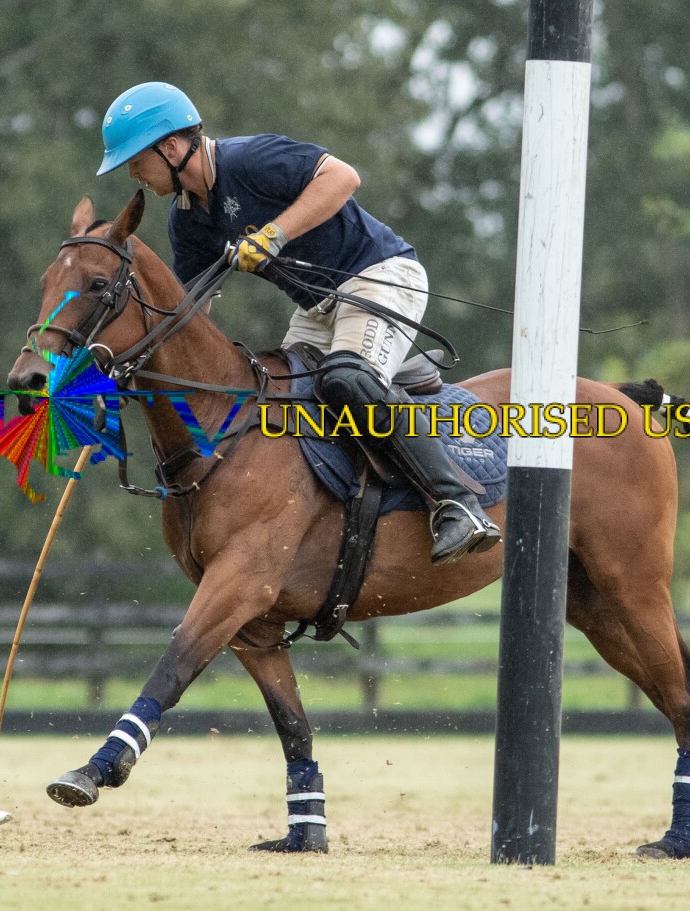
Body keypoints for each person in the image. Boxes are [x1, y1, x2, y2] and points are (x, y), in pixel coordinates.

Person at [96, 81, 500, 565]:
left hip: (380, 275)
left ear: (170, 147)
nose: (133, 174)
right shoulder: (186, 220)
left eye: (135, 161)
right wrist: (140, 368)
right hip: (317, 308)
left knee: (348, 380)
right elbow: (192, 315)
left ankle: (457, 503)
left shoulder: (250, 159)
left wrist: (273, 234)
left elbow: (343, 177)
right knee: (283, 402)